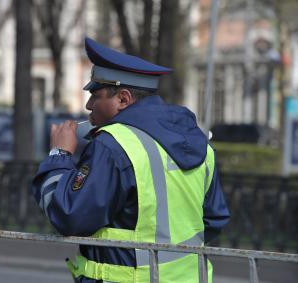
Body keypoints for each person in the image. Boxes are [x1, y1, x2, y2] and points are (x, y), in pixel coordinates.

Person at [31, 37, 230, 283]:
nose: (89, 104)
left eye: (96, 94)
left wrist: (59, 155)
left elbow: (69, 216)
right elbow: (214, 219)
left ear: (123, 99)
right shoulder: (197, 139)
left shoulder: (114, 145)